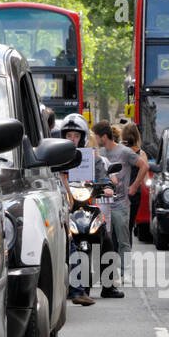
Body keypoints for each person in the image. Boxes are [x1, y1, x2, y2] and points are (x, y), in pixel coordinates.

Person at [92, 121, 140, 299]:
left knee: (123, 239)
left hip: (120, 203)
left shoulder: (124, 151)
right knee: (108, 240)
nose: (95, 141)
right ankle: (109, 275)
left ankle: (125, 272)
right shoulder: (99, 154)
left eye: (96, 137)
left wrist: (134, 186)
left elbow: (144, 166)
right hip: (102, 204)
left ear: (103, 137)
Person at [60, 113, 96, 306]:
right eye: (69, 136)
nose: (72, 139)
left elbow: (102, 176)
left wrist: (105, 186)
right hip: (64, 207)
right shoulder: (57, 157)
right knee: (70, 248)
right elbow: (61, 178)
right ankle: (77, 291)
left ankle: (109, 284)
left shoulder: (91, 158)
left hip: (83, 207)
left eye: (76, 136)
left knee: (106, 237)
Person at [121, 121, 150, 237]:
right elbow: (146, 178)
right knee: (129, 225)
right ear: (137, 136)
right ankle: (127, 253)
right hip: (134, 194)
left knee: (119, 226)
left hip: (119, 192)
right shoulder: (141, 154)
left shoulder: (118, 151)